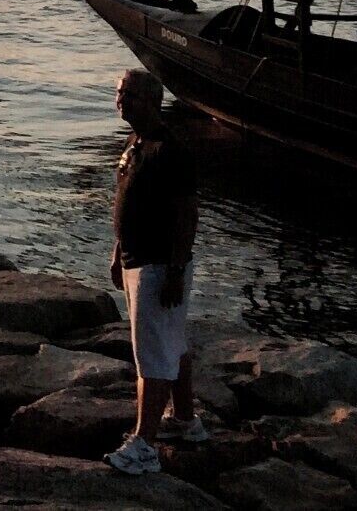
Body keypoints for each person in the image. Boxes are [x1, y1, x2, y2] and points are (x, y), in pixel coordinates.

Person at [106, 68, 207, 475]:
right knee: (172, 344)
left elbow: (187, 215)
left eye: (128, 95)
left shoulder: (171, 151)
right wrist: (117, 252)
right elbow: (129, 203)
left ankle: (143, 444)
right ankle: (185, 420)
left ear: (151, 101)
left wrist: (175, 271)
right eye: (118, 93)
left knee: (152, 357)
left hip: (159, 265)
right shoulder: (136, 142)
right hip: (135, 259)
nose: (120, 101)